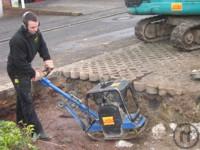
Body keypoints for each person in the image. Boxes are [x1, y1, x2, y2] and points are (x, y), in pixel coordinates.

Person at [7, 11, 54, 140]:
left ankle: (20, 122)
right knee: (27, 99)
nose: (35, 29)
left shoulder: (36, 33)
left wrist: (47, 59)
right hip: (16, 71)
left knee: (22, 96)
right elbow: (19, 63)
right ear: (25, 26)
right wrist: (34, 73)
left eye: (37, 26)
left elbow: (42, 46)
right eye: (32, 27)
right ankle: (36, 132)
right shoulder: (17, 40)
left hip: (25, 67)